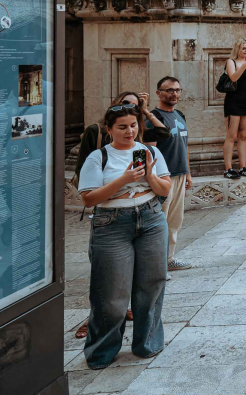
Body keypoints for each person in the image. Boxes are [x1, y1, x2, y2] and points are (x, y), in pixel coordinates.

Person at [78, 102, 172, 369]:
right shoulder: (99, 157)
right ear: (109, 130)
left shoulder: (149, 150)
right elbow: (88, 198)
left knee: (152, 284)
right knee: (111, 294)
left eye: (133, 125)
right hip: (111, 223)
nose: (129, 131)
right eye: (122, 127)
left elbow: (164, 189)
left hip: (151, 217)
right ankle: (101, 352)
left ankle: (147, 343)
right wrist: (124, 178)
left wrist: (149, 174)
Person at [146, 77, 193, 273]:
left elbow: (184, 147)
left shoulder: (180, 115)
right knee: (160, 221)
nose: (174, 94)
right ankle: (155, 266)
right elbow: (150, 151)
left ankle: (169, 259)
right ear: (158, 93)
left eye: (177, 90)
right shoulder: (152, 118)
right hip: (163, 177)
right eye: (169, 90)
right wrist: (155, 179)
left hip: (180, 174)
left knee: (175, 221)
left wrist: (188, 173)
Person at [223, 38, 246, 178]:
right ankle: (228, 169)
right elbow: (233, 77)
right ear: (238, 49)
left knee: (243, 136)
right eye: (244, 48)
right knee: (231, 136)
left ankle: (243, 167)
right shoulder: (231, 62)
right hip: (233, 101)